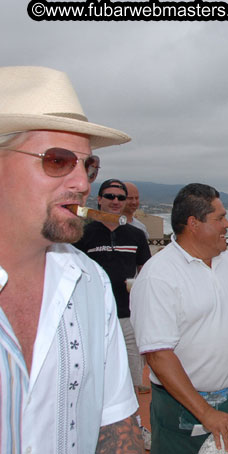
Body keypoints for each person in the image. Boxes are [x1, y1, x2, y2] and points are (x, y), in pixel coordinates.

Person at [0, 65, 141, 453]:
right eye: (58, 160)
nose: (82, 183)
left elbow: (117, 423)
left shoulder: (89, 284)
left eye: (88, 165)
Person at [130, 183, 228, 454]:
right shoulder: (159, 276)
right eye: (220, 218)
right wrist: (206, 413)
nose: (227, 224)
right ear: (193, 223)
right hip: (183, 407)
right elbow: (158, 354)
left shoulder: (226, 261)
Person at [74, 178, 152, 396]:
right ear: (99, 200)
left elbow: (145, 270)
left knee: (131, 372)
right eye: (110, 196)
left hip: (128, 313)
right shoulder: (83, 233)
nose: (116, 201)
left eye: (120, 197)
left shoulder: (136, 235)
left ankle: (134, 425)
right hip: (94, 313)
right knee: (97, 372)